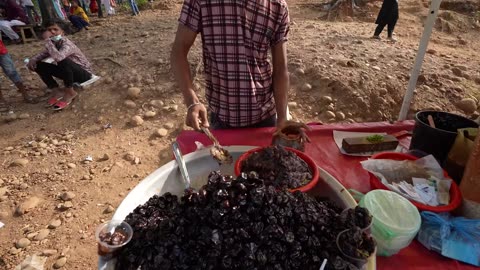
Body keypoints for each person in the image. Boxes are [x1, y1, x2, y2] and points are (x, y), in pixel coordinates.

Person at [171, 0, 290, 131]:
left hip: (265, 118)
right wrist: (191, 102)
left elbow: (280, 68)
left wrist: (283, 118)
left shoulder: (277, 6)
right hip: (222, 119)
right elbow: (179, 51)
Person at [27, 20, 98, 111]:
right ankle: (57, 91)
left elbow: (59, 57)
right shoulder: (55, 44)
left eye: (55, 29)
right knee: (38, 64)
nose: (52, 32)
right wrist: (33, 60)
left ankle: (70, 92)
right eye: (49, 30)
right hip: (71, 73)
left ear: (62, 32)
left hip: (84, 75)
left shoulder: (67, 44)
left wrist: (47, 40)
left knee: (62, 60)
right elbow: (44, 54)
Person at [0, 39, 37, 110]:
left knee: (12, 72)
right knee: (12, 72)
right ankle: (1, 101)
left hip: (1, 51)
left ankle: (25, 95)